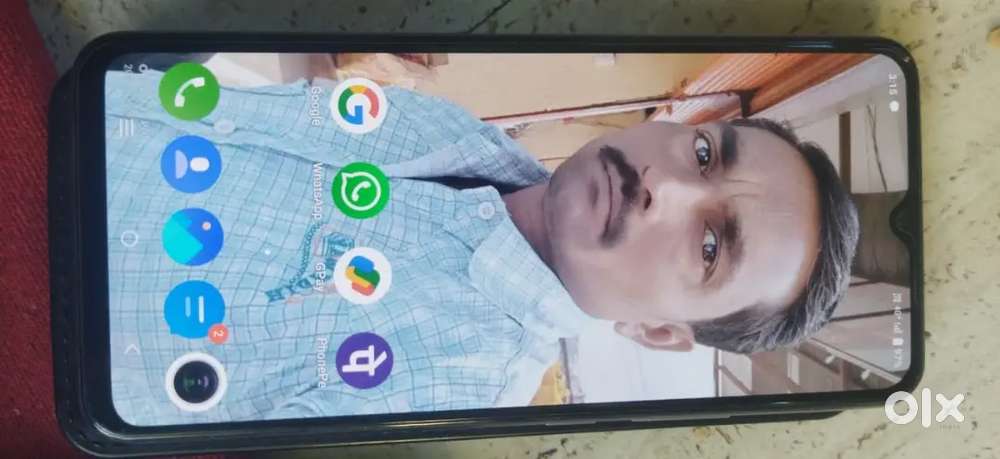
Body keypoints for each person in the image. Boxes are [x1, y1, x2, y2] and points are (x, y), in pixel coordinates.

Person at [104, 67, 857, 425]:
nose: (665, 186)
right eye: (704, 153)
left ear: (660, 332)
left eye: (710, 246)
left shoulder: (456, 397)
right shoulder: (465, 136)